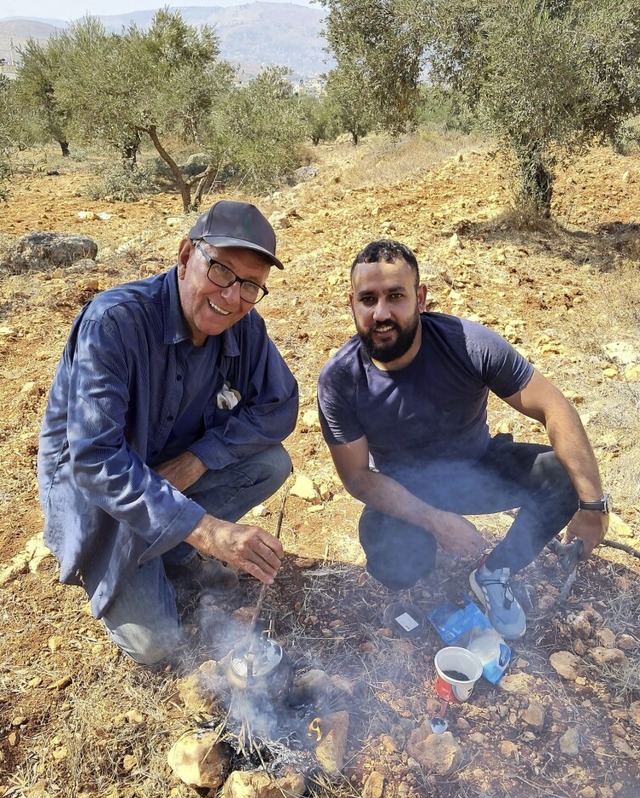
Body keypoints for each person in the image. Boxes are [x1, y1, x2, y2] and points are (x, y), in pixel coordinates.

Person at [38, 200, 298, 664]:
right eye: (220, 270)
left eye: (251, 286)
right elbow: (95, 460)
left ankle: (172, 549)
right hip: (101, 500)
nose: (232, 296)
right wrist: (206, 530)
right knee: (155, 645)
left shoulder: (243, 325)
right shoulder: (114, 323)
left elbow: (279, 405)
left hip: (170, 476)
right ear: (184, 257)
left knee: (270, 463)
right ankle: (140, 555)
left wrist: (199, 458)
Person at [317, 239, 609, 640]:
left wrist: (593, 506)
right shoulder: (340, 380)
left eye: (395, 296)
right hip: (405, 487)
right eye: (368, 299)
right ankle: (417, 566)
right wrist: (435, 522)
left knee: (561, 477)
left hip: (477, 468)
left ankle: (494, 574)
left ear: (420, 298)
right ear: (352, 304)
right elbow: (358, 478)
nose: (381, 313)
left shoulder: (467, 345)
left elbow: (555, 408)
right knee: (393, 562)